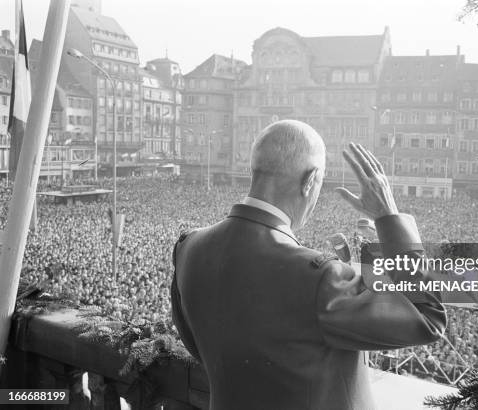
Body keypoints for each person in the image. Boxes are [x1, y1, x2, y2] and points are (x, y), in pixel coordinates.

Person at [171, 120, 446, 410]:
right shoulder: (318, 279)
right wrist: (389, 218)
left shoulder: (189, 247)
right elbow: (426, 316)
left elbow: (198, 346)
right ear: (310, 181)